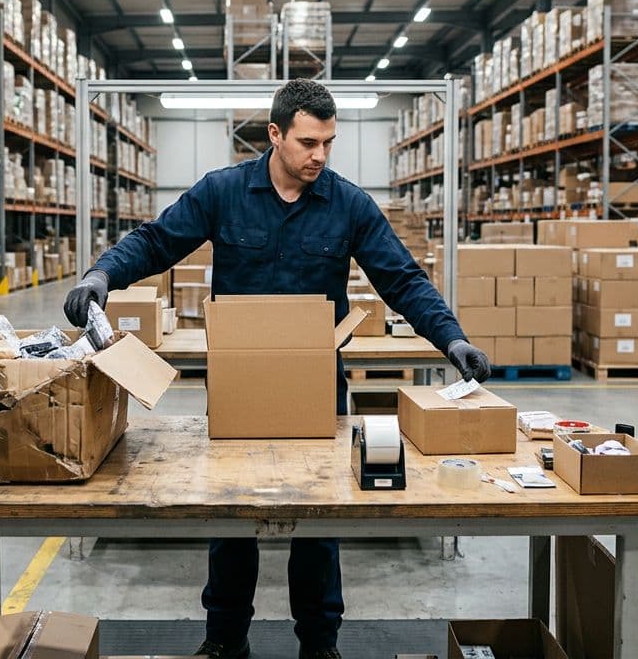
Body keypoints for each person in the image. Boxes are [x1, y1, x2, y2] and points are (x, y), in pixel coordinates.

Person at [63, 79, 491, 659]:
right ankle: (224, 641)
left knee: (319, 522)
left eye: (329, 143)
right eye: (309, 142)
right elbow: (157, 242)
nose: (320, 155)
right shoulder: (223, 193)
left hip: (318, 386)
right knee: (232, 516)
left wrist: (451, 338)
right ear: (274, 135)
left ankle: (320, 646)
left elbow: (402, 279)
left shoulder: (348, 203)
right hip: (240, 386)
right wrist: (101, 276)